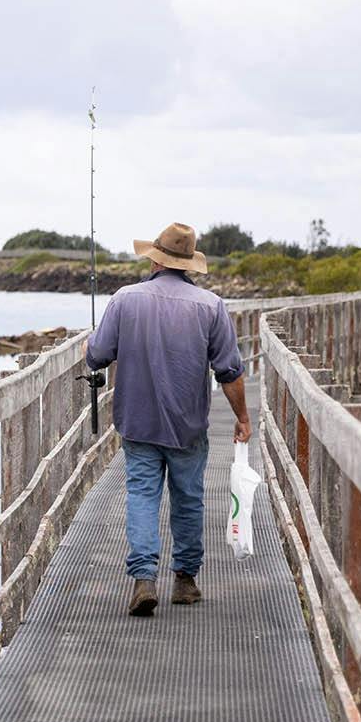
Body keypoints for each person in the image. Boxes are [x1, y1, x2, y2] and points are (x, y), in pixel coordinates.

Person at [83, 221, 250, 616]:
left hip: (138, 421)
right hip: (188, 424)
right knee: (188, 500)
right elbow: (230, 370)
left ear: (155, 259)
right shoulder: (211, 306)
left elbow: (98, 354)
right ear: (188, 264)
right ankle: (186, 581)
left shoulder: (125, 299)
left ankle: (144, 579)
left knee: (142, 495)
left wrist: (94, 348)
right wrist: (242, 417)